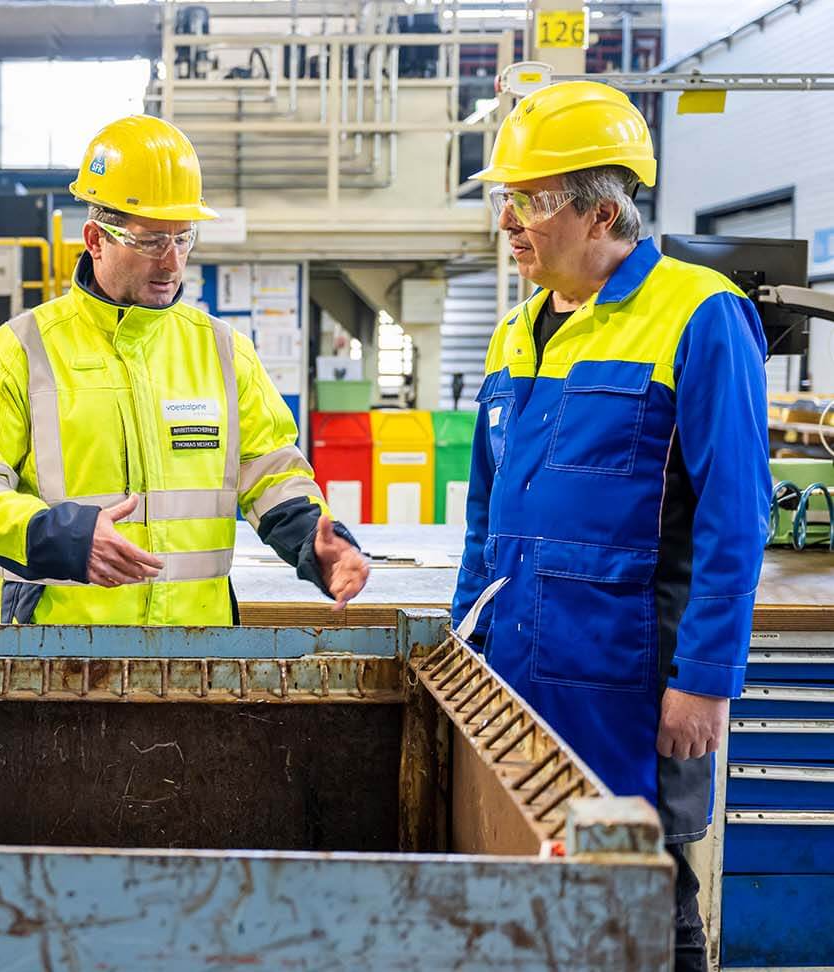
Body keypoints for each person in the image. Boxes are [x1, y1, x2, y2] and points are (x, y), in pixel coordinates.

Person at [452, 81, 770, 972]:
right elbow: (488, 504)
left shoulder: (698, 315)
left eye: (534, 201)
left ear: (601, 212)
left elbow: (734, 516)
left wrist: (706, 680)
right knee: (536, 899)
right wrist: (465, 633)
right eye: (506, 200)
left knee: (647, 899)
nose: (513, 222)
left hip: (632, 685)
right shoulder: (515, 331)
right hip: (519, 677)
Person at [0, 115, 370, 625]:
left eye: (183, 239)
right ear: (95, 239)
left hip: (197, 652)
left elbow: (271, 473)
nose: (170, 263)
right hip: (57, 654)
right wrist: (63, 537)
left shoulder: (223, 351)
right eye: (148, 242)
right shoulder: (14, 352)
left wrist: (318, 545)